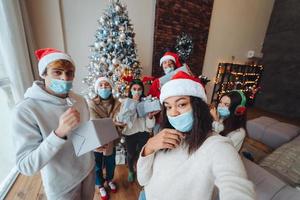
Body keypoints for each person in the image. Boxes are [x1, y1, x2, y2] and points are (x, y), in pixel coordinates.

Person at [137, 71, 255, 200]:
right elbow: (143, 180)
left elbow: (236, 187)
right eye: (168, 107)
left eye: (181, 104)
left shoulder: (216, 145)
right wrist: (149, 148)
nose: (174, 113)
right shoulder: (164, 135)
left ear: (197, 106)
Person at [11, 48, 95, 200]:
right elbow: (26, 166)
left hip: (88, 172)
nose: (65, 78)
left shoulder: (80, 100)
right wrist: (59, 133)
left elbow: (84, 137)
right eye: (57, 72)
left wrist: (95, 144)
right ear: (43, 74)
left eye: (69, 73)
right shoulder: (26, 110)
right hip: (62, 186)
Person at [87, 76, 122, 200]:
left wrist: (117, 123)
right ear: (97, 89)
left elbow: (121, 119)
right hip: (96, 139)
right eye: (101, 85)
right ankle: (100, 185)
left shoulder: (117, 103)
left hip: (111, 139)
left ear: (111, 87)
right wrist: (113, 122)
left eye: (106, 85)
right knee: (97, 164)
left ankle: (110, 180)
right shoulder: (91, 103)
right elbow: (94, 121)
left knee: (110, 163)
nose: (104, 87)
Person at [119, 79, 156, 182]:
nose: (137, 91)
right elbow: (122, 119)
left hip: (143, 133)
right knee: (130, 154)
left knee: (142, 154)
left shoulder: (146, 102)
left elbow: (150, 125)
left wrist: (150, 117)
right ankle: (131, 170)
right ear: (130, 90)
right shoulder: (125, 102)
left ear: (142, 90)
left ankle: (141, 171)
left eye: (139, 89)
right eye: (134, 89)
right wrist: (133, 103)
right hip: (130, 134)